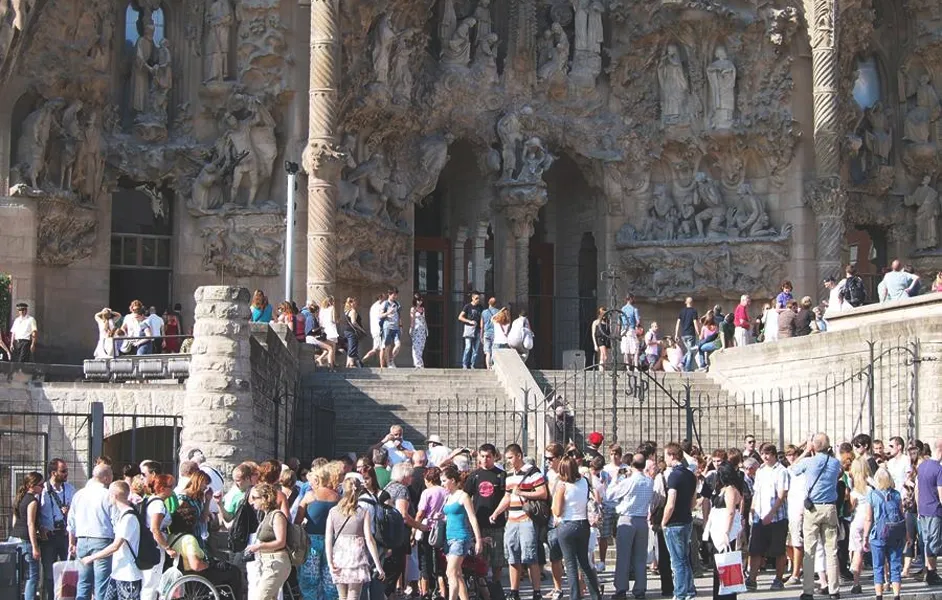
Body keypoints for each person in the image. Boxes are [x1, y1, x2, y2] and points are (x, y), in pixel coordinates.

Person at [488, 443, 548, 600]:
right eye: (507, 458)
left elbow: (543, 493)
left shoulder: (533, 472)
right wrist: (496, 512)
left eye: (510, 458)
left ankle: (536, 591)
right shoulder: (509, 475)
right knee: (512, 556)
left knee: (530, 556)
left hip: (527, 519)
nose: (508, 461)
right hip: (512, 520)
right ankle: (514, 591)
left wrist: (522, 492)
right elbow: (507, 497)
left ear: (519, 456)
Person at [792, 433, 842, 600]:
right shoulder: (835, 463)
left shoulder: (809, 461)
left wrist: (806, 451)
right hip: (830, 507)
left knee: (810, 550)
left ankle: (808, 590)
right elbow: (839, 473)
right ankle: (834, 589)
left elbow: (793, 468)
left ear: (814, 446)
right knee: (831, 551)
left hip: (812, 509)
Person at [79, 481, 142, 600]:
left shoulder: (128, 517)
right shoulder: (122, 514)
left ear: (115, 496)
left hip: (128, 574)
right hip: (118, 572)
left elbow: (115, 546)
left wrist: (92, 557)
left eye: (110, 494)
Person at [327, 477, 386, 600]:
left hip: (339, 555)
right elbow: (369, 540)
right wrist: (378, 565)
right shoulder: (363, 512)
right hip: (356, 557)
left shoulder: (333, 511)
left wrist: (329, 561)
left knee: (342, 597)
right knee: (354, 597)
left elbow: (328, 538)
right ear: (359, 491)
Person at [552, 455, 602, 600]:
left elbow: (557, 511)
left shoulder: (563, 486)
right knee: (584, 563)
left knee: (571, 565)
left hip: (567, 524)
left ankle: (574, 596)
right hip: (583, 524)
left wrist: (557, 495)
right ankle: (595, 595)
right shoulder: (584, 481)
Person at [170, 500, 244, 598]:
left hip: (185, 573)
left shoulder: (172, 537)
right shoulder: (188, 540)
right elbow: (195, 565)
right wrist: (207, 564)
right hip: (197, 575)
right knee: (234, 572)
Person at [607, 452, 654, 600]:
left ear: (632, 464)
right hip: (642, 519)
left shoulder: (629, 481)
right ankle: (640, 589)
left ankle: (621, 589)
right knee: (640, 557)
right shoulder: (649, 481)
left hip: (627, 518)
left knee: (623, 556)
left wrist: (615, 478)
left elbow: (610, 495)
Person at [68, 464, 116, 600]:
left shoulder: (79, 494)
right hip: (103, 540)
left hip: (82, 540)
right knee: (102, 585)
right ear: (106, 478)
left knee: (83, 583)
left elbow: (71, 522)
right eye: (111, 475)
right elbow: (114, 519)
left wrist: (72, 542)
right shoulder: (108, 495)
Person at [295, 463, 340, 600]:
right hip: (332, 541)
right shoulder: (337, 497)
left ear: (317, 480)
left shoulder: (310, 496)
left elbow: (298, 519)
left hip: (312, 541)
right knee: (330, 579)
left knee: (309, 579)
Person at [747, 443, 789, 590]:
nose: (765, 456)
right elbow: (756, 492)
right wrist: (752, 509)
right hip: (760, 514)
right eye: (763, 453)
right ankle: (752, 579)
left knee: (778, 550)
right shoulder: (760, 471)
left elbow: (782, 495)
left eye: (768, 454)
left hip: (777, 517)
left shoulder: (781, 471)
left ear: (774, 455)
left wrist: (771, 513)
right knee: (755, 549)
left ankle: (778, 579)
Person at [464, 444, 506, 586]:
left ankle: (496, 585)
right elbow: (466, 497)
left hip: (497, 523)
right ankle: (481, 588)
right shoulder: (474, 476)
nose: (485, 459)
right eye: (482, 456)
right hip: (479, 524)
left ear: (494, 456)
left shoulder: (501, 475)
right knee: (480, 559)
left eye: (488, 456)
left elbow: (506, 497)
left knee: (497, 560)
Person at [441, 465, 484, 600]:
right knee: (457, 574)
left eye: (444, 480)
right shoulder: (448, 497)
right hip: (449, 537)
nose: (442, 484)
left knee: (450, 572)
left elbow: (472, 518)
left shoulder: (463, 496)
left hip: (461, 537)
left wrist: (478, 540)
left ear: (453, 480)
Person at [661, 442, 697, 600]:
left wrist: (663, 521)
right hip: (686, 519)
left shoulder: (673, 475)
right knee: (684, 558)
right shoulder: (690, 474)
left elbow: (670, 503)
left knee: (677, 561)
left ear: (672, 455)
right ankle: (689, 589)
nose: (664, 459)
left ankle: (680, 593)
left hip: (674, 522)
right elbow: (693, 500)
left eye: (666, 455)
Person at [705, 463, 744, 600]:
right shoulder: (724, 489)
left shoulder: (731, 491)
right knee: (719, 566)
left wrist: (726, 532)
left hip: (725, 532)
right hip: (717, 531)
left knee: (725, 565)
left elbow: (731, 512)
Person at [866, 468, 906, 600]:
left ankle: (879, 595)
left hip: (878, 535)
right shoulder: (896, 495)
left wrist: (865, 536)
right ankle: (896, 595)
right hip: (895, 534)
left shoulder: (872, 495)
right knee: (895, 565)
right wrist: (907, 534)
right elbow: (901, 514)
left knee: (878, 566)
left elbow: (869, 519)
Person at [246, 483, 291, 600]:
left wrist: (259, 546)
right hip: (268, 563)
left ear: (265, 498)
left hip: (276, 562)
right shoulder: (266, 515)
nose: (252, 502)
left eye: (255, 498)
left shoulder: (277, 515)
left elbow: (281, 542)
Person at [39, 458, 74, 600]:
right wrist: (40, 528)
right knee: (49, 572)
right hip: (49, 536)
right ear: (54, 473)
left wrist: (69, 512)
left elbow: (77, 511)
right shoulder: (42, 491)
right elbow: (35, 512)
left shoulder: (70, 489)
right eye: (63, 471)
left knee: (69, 570)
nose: (66, 473)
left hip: (65, 534)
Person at [415, 467, 447, 599]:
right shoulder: (446, 491)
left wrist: (414, 527)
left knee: (425, 561)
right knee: (440, 561)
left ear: (428, 479)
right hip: (443, 528)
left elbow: (421, 512)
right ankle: (443, 592)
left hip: (428, 529)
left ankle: (425, 592)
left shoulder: (427, 493)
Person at [12, 471, 43, 600]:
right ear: (32, 485)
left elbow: (15, 520)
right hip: (26, 540)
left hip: (14, 538)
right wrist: (35, 547)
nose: (43, 488)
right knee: (32, 575)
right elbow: (30, 523)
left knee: (18, 574)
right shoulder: (32, 501)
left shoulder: (20, 498)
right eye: (40, 485)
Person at [916, 438, 942, 586]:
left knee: (926, 541)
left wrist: (919, 508)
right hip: (934, 510)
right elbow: (941, 493)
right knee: (933, 542)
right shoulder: (939, 469)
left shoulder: (922, 466)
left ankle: (929, 570)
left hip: (924, 509)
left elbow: (918, 489)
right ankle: (932, 573)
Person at [458, 292, 484, 369]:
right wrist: (469, 321)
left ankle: (472, 364)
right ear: (472, 298)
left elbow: (482, 319)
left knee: (475, 349)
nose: (477, 300)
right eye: (476, 298)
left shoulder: (480, 307)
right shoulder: (467, 306)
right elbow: (460, 317)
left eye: (478, 298)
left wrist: (482, 329)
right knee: (468, 347)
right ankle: (465, 364)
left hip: (478, 330)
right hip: (469, 329)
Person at [675, 297, 700, 371]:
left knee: (689, 350)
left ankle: (682, 363)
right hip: (690, 334)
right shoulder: (694, 311)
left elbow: (678, 323)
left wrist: (676, 334)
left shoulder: (682, 311)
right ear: (692, 303)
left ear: (685, 302)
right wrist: (698, 332)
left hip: (683, 335)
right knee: (690, 352)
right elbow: (695, 322)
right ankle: (686, 367)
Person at [361, 294, 386, 366]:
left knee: (376, 348)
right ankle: (382, 365)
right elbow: (381, 316)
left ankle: (362, 361)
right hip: (378, 330)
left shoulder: (373, 306)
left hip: (374, 330)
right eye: (384, 298)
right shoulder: (379, 306)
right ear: (381, 298)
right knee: (381, 348)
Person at [380, 288, 402, 368]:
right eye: (394, 295)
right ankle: (388, 363)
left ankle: (391, 359)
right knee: (387, 346)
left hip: (396, 327)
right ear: (389, 294)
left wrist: (400, 326)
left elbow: (399, 316)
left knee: (398, 344)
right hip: (387, 326)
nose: (395, 296)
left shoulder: (397, 304)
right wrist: (388, 313)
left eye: (396, 295)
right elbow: (380, 315)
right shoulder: (385, 304)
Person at [343, 297, 367, 369]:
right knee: (353, 348)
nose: (356, 304)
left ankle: (348, 364)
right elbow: (353, 322)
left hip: (347, 331)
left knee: (350, 348)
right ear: (351, 303)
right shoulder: (353, 311)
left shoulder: (346, 311)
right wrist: (361, 329)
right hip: (352, 332)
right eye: (355, 302)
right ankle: (351, 364)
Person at [410, 294, 429, 368]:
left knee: (421, 346)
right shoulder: (413, 309)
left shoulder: (423, 309)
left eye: (421, 300)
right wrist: (411, 328)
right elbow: (412, 319)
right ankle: (417, 363)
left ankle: (420, 363)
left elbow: (424, 320)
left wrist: (426, 329)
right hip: (416, 329)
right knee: (416, 346)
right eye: (418, 300)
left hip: (422, 329)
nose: (419, 302)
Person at [480, 297, 499, 369]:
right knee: (494, 351)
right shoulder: (498, 312)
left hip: (486, 333)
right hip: (495, 334)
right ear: (495, 304)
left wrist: (481, 336)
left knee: (487, 352)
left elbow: (481, 326)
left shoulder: (484, 312)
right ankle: (493, 366)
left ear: (488, 303)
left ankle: (488, 367)